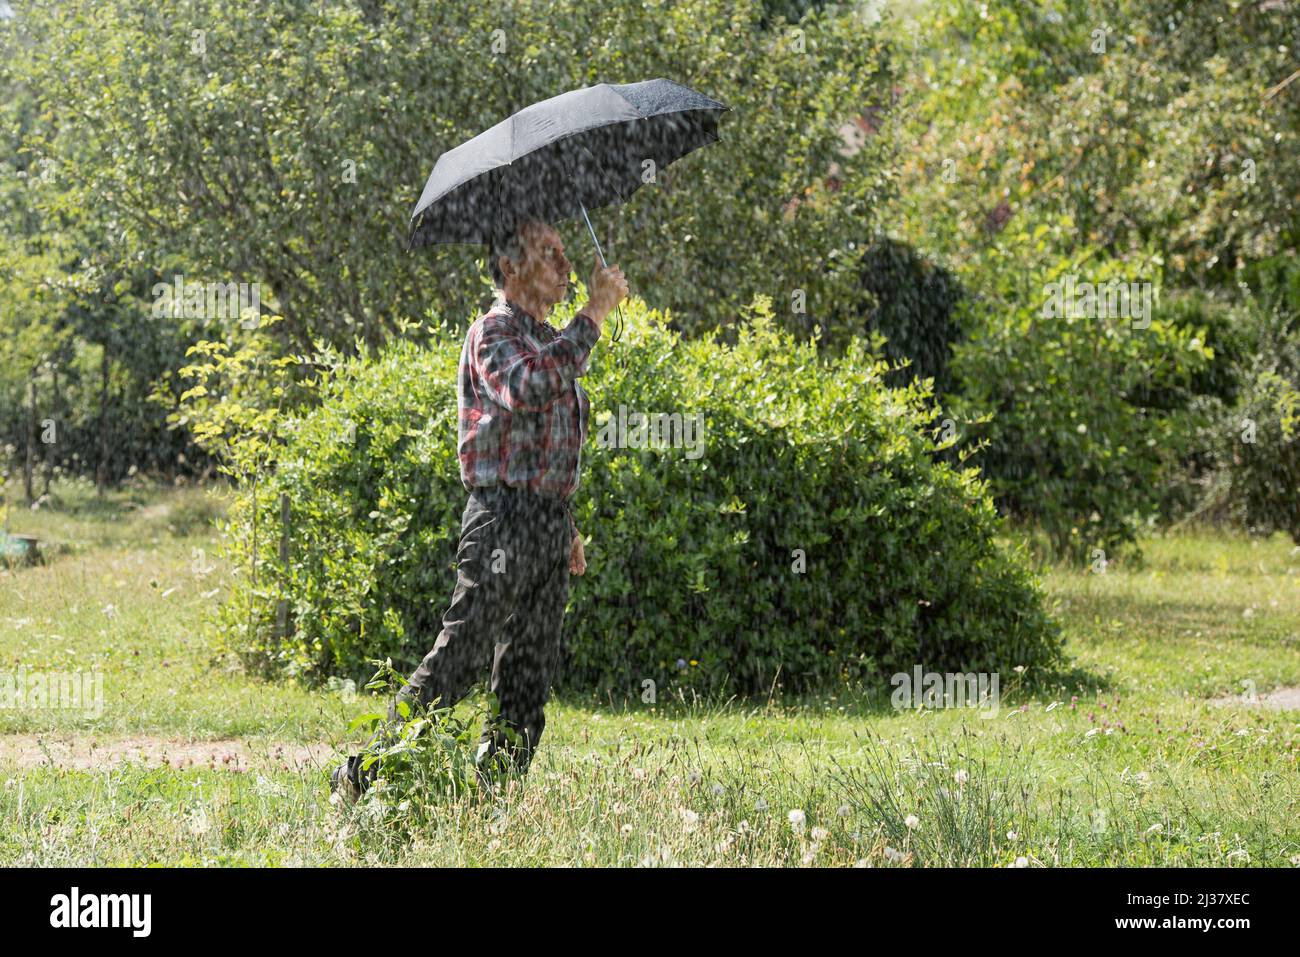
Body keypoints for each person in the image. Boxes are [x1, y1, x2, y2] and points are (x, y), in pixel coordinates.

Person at [331, 218, 628, 802]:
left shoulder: (548, 338)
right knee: (463, 654)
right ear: (512, 267)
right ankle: (361, 777)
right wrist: (593, 311)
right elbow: (527, 391)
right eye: (551, 255)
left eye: (566, 255)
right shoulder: (492, 333)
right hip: (501, 520)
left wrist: (564, 522)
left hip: (544, 521)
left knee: (528, 671)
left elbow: (552, 439)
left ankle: (494, 799)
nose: (566, 267)